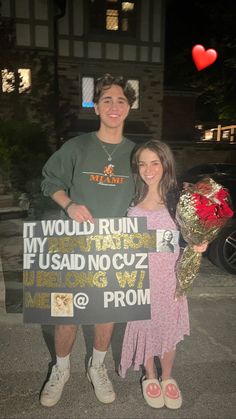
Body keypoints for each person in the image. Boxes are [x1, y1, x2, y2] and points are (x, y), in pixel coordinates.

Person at [40, 73, 136, 407]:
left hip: (114, 246)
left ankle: (97, 366)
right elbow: (48, 180)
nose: (114, 106)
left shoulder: (136, 155)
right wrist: (69, 204)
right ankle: (61, 368)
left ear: (128, 108)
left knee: (105, 312)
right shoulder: (77, 147)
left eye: (121, 100)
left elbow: (149, 195)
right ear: (96, 106)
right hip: (73, 244)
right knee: (65, 313)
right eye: (106, 99)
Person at [119, 140, 208, 409]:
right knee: (144, 326)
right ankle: (150, 376)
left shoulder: (179, 200)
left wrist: (199, 243)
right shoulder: (131, 198)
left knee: (168, 329)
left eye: (154, 163)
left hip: (169, 277)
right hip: (140, 278)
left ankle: (168, 377)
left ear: (165, 164)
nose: (148, 169)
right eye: (142, 164)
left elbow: (192, 235)